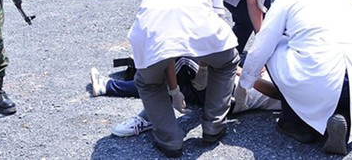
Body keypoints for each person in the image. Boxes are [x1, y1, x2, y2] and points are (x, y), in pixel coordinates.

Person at [239, 0, 352, 155]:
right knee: (335, 63)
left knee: (275, 44)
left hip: (320, 78)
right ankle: (345, 119)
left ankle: (297, 123)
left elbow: (261, 46)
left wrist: (245, 85)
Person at [127, 0, 240, 158]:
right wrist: (205, 67)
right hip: (201, 28)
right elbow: (215, 23)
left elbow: (166, 46)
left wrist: (173, 90)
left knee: (149, 83)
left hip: (152, 33)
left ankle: (170, 141)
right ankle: (214, 126)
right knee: (226, 63)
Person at [90, 57, 282, 138]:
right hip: (228, 87)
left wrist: (240, 69)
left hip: (233, 98)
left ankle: (146, 118)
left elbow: (274, 92)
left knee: (182, 64)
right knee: (174, 84)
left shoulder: (298, 88)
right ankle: (107, 86)